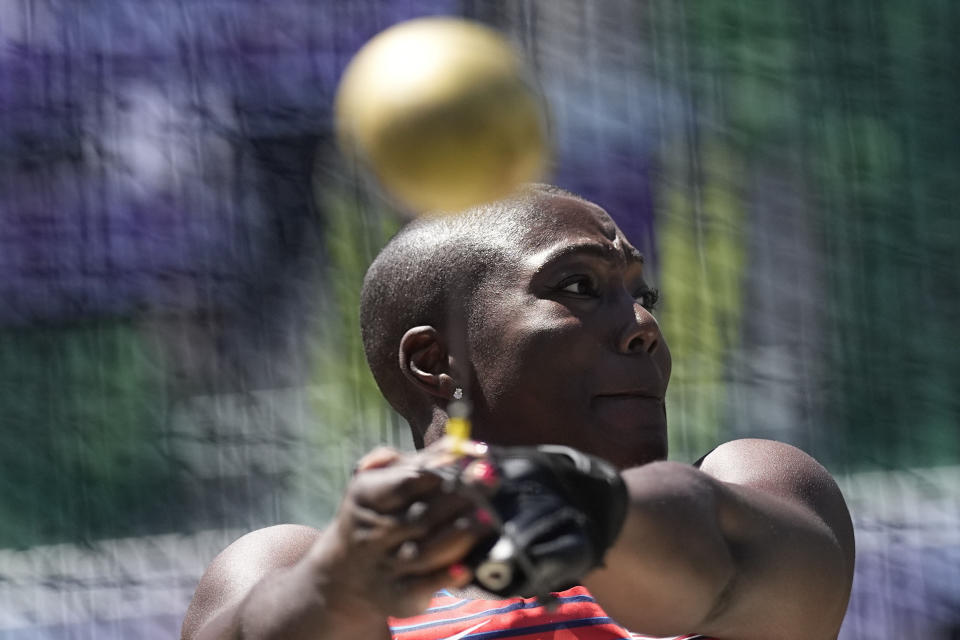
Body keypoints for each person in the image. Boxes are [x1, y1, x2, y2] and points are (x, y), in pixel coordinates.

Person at [181, 184, 855, 640]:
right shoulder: (286, 563)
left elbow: (722, 554)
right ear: (435, 363)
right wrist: (338, 583)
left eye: (640, 293)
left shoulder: (755, 484)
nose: (643, 324)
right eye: (580, 287)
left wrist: (562, 502)